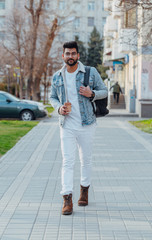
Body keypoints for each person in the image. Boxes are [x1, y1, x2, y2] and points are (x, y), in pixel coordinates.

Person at [50, 41, 108, 215]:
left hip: (87, 124)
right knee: (67, 161)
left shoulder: (90, 72)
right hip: (66, 124)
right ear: (63, 56)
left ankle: (84, 190)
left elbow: (104, 91)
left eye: (73, 53)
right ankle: (67, 197)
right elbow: (52, 97)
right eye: (67, 54)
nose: (70, 56)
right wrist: (59, 108)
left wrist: (92, 94)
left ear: (78, 55)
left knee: (86, 160)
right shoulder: (57, 76)